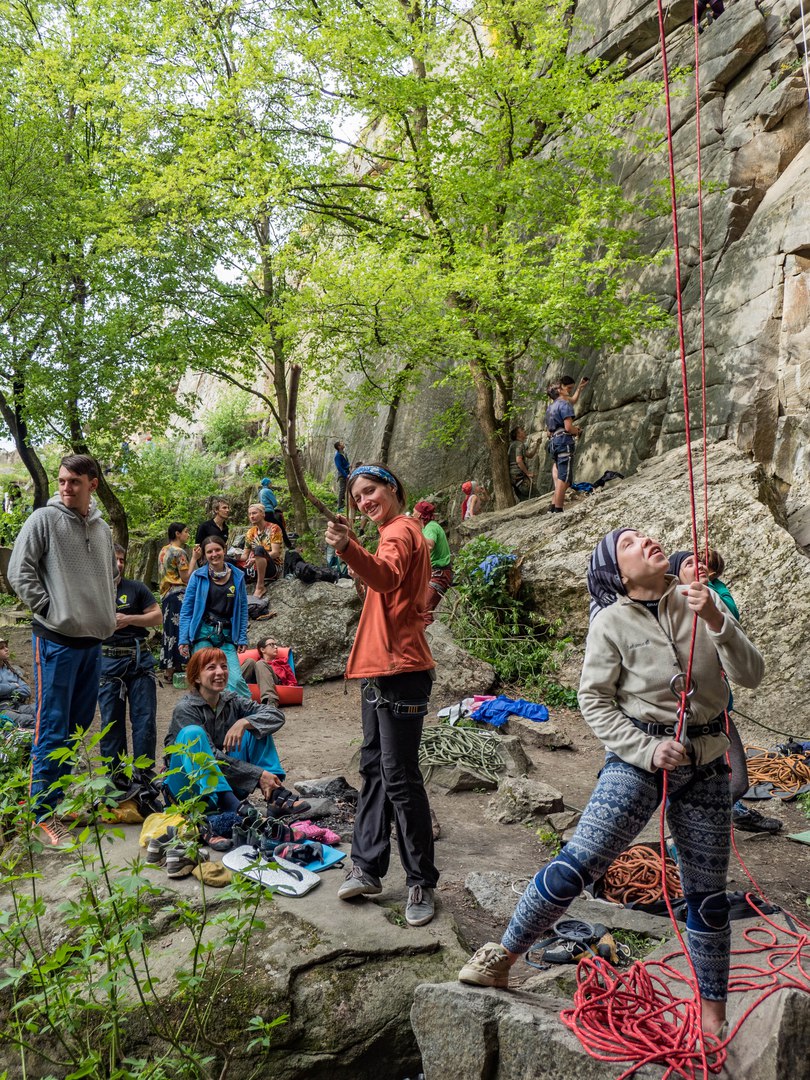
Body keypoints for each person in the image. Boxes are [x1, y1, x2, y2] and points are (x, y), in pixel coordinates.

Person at [459, 527, 765, 1041]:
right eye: (628, 543)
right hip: (637, 759)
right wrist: (646, 749)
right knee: (581, 862)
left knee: (707, 896)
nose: (646, 541)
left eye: (646, 536)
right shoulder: (608, 622)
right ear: (617, 574)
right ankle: (502, 955)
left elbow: (751, 674)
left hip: (708, 760)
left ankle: (712, 1019)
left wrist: (715, 618)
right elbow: (594, 701)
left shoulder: (700, 601)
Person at [325, 463, 439, 927]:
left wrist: (349, 547)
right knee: (374, 767)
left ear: (392, 488)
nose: (364, 501)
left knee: (398, 776)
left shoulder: (400, 531)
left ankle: (420, 882)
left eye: (370, 491)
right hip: (383, 671)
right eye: (357, 497)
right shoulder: (396, 530)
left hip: (401, 671)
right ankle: (368, 867)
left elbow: (388, 576)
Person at [7, 454, 117, 847]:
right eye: (62, 481)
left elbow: (112, 575)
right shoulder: (43, 520)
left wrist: (104, 612)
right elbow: (18, 570)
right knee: (51, 726)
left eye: (74, 481)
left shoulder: (103, 530)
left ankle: (55, 800)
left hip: (93, 643)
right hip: (55, 640)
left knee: (77, 725)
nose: (66, 487)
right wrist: (53, 609)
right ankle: (41, 815)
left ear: (93, 484)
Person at [668, 550, 781, 836]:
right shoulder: (671, 610)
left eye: (702, 562)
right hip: (681, 715)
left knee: (738, 781)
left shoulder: (716, 594)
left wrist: (710, 600)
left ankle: (716, 816)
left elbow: (732, 621)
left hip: (717, 713)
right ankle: (693, 829)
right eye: (690, 564)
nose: (700, 566)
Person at [165, 647, 306, 814]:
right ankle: (230, 805)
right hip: (187, 787)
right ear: (196, 677)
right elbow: (210, 757)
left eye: (224, 666)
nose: (220, 672)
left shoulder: (231, 700)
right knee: (193, 734)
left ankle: (274, 795)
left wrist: (244, 722)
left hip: (223, 783)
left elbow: (275, 715)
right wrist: (258, 774)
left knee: (256, 725)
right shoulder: (186, 709)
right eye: (211, 668)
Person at [98, 545, 162, 774]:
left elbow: (157, 616)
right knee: (111, 723)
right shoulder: (94, 589)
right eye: (114, 559)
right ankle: (115, 778)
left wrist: (129, 619)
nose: (119, 564)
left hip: (139, 659)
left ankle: (144, 777)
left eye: (122, 560)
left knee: (144, 720)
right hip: (108, 661)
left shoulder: (136, 588)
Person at [179, 534, 252, 698]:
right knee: (206, 679)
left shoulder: (237, 576)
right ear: (204, 555)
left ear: (224, 550)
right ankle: (206, 718)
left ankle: (246, 719)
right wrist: (183, 639)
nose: (214, 554)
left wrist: (241, 638)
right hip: (203, 633)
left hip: (226, 636)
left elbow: (242, 609)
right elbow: (187, 610)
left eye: (217, 550)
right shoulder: (198, 577)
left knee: (236, 681)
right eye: (209, 551)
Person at [158, 522, 198, 681]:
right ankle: (183, 665)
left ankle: (170, 669)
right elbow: (186, 578)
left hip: (166, 595)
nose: (188, 534)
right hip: (179, 595)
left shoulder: (163, 550)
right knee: (181, 631)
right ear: (177, 533)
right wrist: (194, 558)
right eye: (186, 531)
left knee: (169, 632)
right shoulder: (180, 552)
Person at [412, 501, 453, 625]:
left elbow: (429, 545)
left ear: (419, 514)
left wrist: (413, 534)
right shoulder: (426, 527)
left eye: (414, 512)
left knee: (424, 613)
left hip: (439, 575)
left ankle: (429, 642)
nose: (412, 514)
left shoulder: (431, 527)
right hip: (433, 574)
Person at [545, 386, 582, 514]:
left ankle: (553, 505)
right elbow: (568, 427)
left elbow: (549, 431)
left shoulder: (550, 408)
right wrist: (577, 431)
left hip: (553, 442)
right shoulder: (564, 404)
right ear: (560, 391)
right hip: (563, 441)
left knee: (557, 472)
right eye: (563, 387)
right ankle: (558, 509)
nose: (567, 389)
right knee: (564, 477)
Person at [242, 504, 283, 598]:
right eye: (249, 514)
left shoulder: (274, 528)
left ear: (263, 514)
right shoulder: (250, 532)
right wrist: (234, 556)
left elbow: (275, 553)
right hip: (254, 569)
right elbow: (244, 556)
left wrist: (256, 559)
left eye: (254, 513)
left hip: (272, 567)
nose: (251, 516)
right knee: (228, 559)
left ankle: (260, 586)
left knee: (259, 549)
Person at [0, 637, 37, 727]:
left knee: (42, 710)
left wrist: (6, 692)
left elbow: (27, 690)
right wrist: (13, 686)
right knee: (27, 719)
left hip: (18, 704)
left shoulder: (13, 670)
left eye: (6, 646)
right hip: (2, 709)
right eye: (2, 647)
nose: (6, 649)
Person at [239, 637, 285, 705]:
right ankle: (228, 692)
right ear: (262, 649)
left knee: (261, 664)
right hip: (253, 683)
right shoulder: (255, 664)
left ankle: (270, 701)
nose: (276, 647)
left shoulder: (281, 662)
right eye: (272, 644)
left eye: (276, 644)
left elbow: (289, 681)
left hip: (273, 683)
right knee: (250, 661)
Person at [259, 478, 293, 547]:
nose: (271, 484)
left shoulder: (261, 491)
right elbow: (275, 503)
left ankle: (265, 545)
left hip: (263, 513)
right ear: (267, 483)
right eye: (270, 483)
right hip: (269, 512)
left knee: (266, 529)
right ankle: (289, 545)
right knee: (280, 527)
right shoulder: (268, 491)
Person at [508, 426, 537, 500]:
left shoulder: (514, 445)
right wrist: (528, 473)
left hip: (515, 479)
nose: (524, 431)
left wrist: (536, 445)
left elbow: (529, 455)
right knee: (535, 496)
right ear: (518, 435)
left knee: (524, 500)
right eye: (522, 430)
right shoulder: (519, 445)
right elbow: (519, 460)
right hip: (519, 477)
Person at [334, 441, 350, 512]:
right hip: (343, 475)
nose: (343, 444)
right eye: (341, 443)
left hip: (347, 473)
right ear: (339, 447)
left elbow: (346, 463)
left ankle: (347, 505)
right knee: (342, 490)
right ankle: (340, 507)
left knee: (348, 488)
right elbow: (339, 467)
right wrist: (346, 475)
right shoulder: (337, 456)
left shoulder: (344, 453)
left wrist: (348, 465)